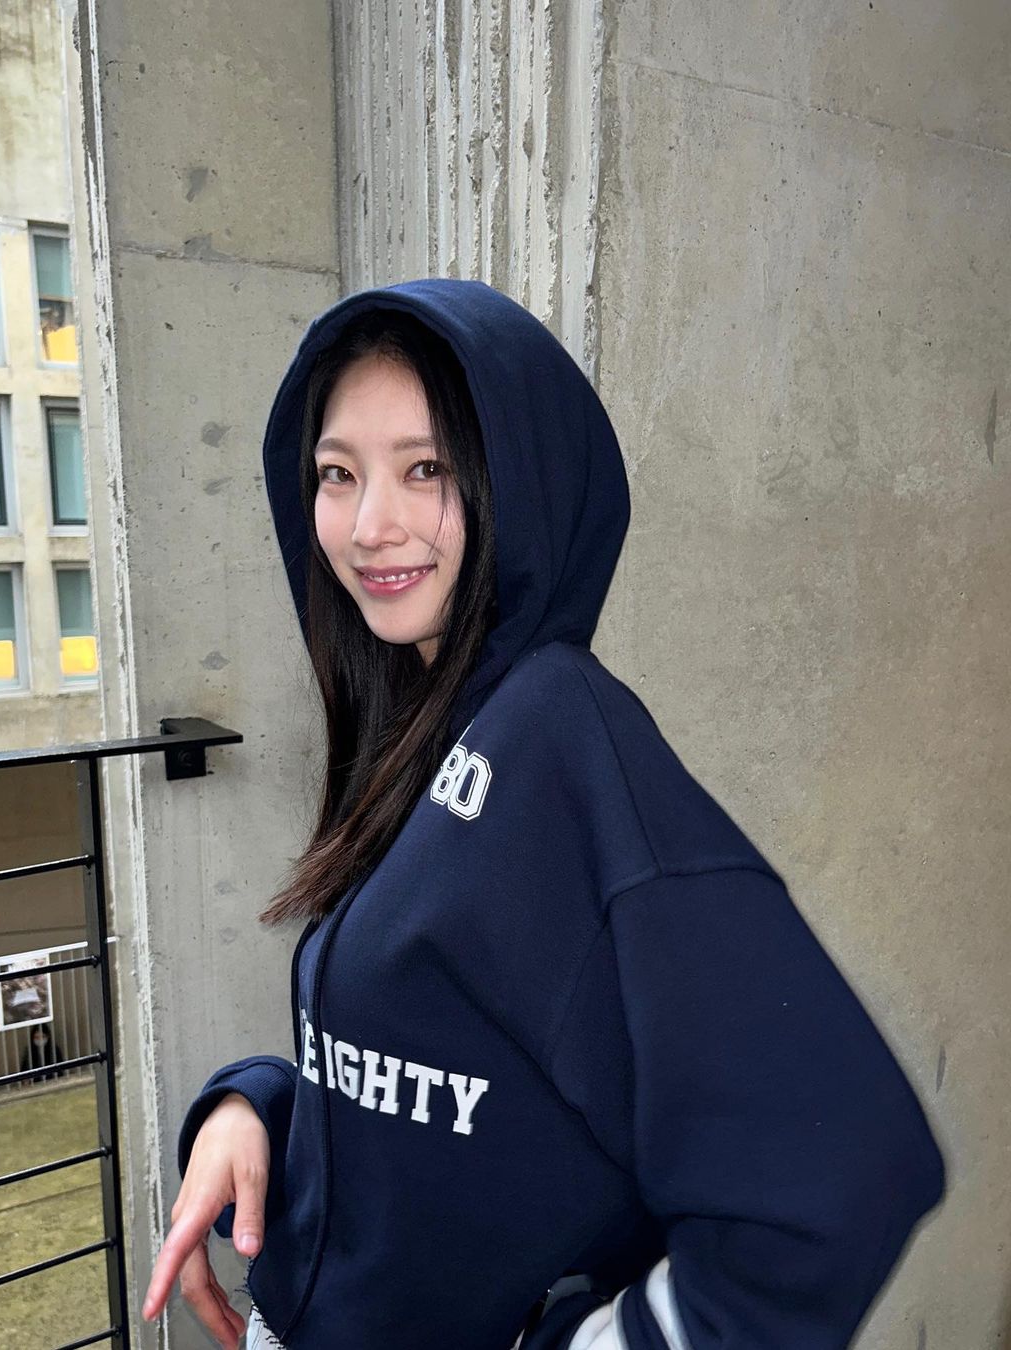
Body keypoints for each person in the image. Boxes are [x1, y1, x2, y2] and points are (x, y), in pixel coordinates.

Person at [143, 279, 945, 1350]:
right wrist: (258, 1107)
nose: (369, 525)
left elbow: (842, 1171)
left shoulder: (558, 740)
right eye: (338, 474)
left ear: (519, 481)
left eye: (425, 469)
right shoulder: (419, 730)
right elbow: (458, 1100)